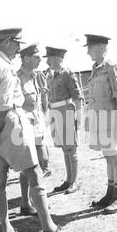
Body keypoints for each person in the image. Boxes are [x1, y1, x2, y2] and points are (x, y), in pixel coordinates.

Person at [0, 28, 75, 232]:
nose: (19, 49)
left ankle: (7, 230)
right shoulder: (5, 68)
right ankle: (49, 228)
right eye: (16, 43)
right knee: (35, 174)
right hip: (9, 123)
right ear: (8, 42)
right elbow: (4, 107)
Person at [84, 34, 117, 214]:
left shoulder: (111, 67)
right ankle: (109, 193)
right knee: (107, 156)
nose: (87, 52)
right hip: (98, 118)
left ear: (101, 48)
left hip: (110, 118)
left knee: (115, 157)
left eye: (91, 48)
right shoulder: (95, 68)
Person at [17, 43, 51, 216]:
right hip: (25, 127)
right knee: (29, 165)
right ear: (26, 58)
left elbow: (42, 100)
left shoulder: (37, 76)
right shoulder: (17, 78)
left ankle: (32, 200)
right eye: (37, 57)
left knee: (43, 161)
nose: (40, 60)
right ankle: (28, 202)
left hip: (38, 125)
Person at [45, 46, 84, 194]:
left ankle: (74, 182)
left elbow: (77, 97)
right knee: (64, 149)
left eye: (50, 58)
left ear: (59, 59)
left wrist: (78, 119)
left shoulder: (66, 73)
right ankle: (68, 180)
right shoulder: (52, 76)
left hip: (66, 111)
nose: (48, 61)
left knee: (71, 149)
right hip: (55, 112)